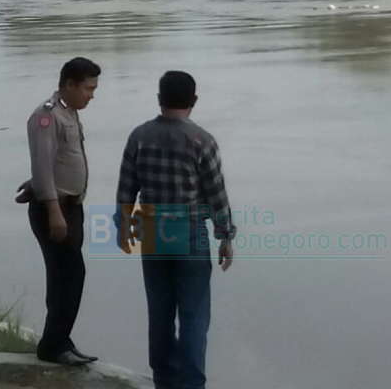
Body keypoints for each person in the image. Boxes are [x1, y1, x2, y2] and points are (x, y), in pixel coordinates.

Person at [115, 70, 236, 389]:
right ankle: (192, 384)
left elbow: (126, 188)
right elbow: (216, 194)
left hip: (153, 231)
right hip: (190, 232)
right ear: (194, 101)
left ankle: (164, 381)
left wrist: (122, 226)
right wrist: (225, 236)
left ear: (159, 99)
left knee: (160, 312)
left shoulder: (139, 136)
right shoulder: (202, 140)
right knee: (194, 315)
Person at [22, 57, 101, 366]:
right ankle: (52, 345)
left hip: (71, 207)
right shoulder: (46, 116)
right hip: (55, 211)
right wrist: (53, 210)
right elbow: (42, 163)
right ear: (69, 84)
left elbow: (59, 161)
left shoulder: (69, 112)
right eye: (88, 88)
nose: (91, 95)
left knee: (64, 278)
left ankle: (59, 339)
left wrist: (35, 184)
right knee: (70, 275)